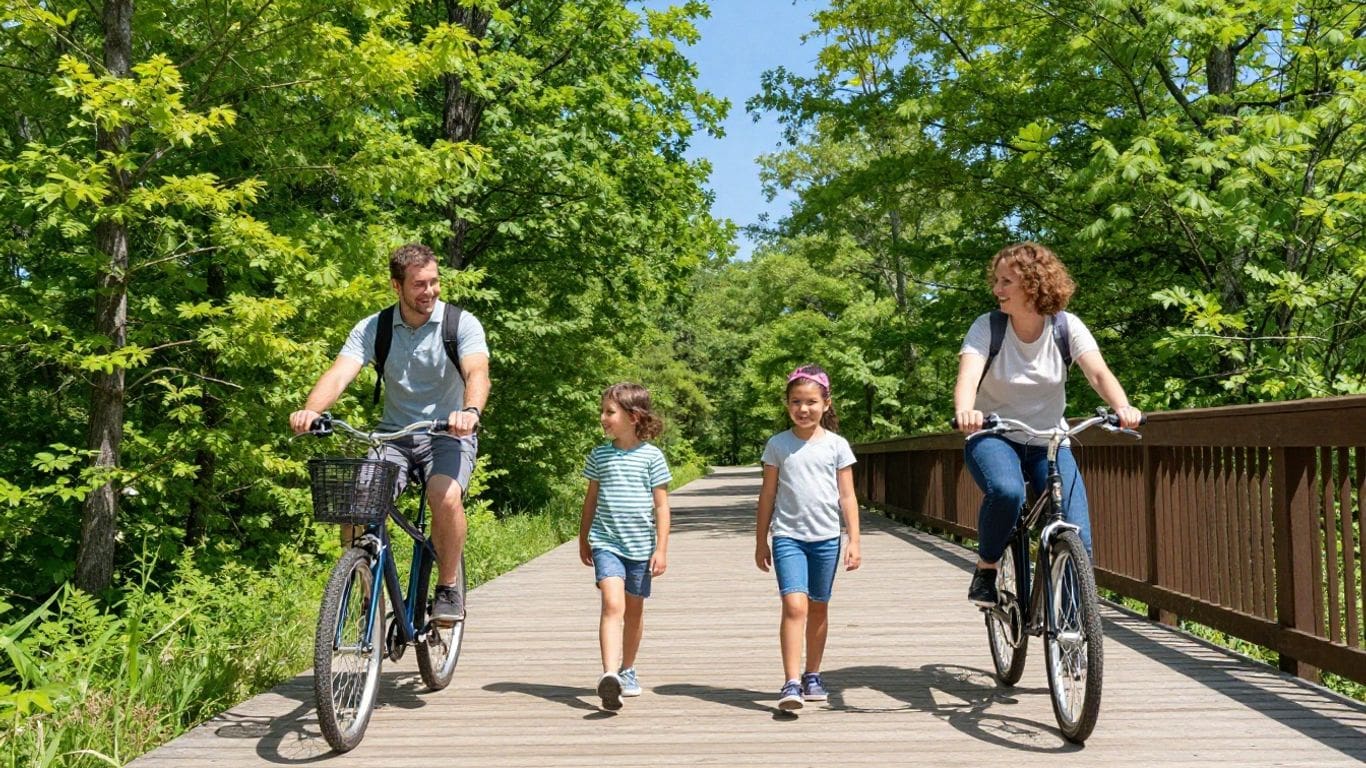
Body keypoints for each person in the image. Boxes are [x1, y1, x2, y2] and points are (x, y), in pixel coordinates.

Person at [289, 243, 490, 624]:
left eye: (434, 282)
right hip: (392, 438)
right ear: (396, 286)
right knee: (355, 504)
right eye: (419, 284)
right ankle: (366, 587)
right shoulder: (374, 327)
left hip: (448, 434)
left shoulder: (460, 324)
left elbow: (477, 372)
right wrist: (311, 410)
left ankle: (448, 588)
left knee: (443, 496)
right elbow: (340, 372)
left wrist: (470, 411)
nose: (429, 291)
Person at [952, 241, 1141, 607]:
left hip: (1050, 442)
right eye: (997, 280)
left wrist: (1123, 406)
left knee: (1077, 534)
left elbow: (1098, 373)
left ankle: (1071, 634)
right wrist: (966, 410)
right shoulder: (987, 327)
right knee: (1007, 492)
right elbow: (967, 379)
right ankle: (987, 568)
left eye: (1006, 281)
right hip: (993, 435)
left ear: (1033, 284)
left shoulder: (1066, 327)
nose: (997, 290)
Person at [755, 364, 862, 712]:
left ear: (826, 404)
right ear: (787, 405)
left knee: (818, 606)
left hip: (827, 538)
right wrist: (761, 539)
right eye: (796, 402)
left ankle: (812, 674)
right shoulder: (777, 445)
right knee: (794, 605)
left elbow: (847, 496)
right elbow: (767, 495)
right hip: (788, 536)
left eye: (811, 402)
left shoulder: (837, 446)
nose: (803, 409)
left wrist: (854, 540)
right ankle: (790, 681)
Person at [578, 383, 672, 711]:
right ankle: (609, 675)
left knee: (634, 610)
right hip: (607, 542)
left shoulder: (652, 457)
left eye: (609, 412)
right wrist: (584, 536)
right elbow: (591, 500)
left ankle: (627, 669)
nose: (603, 418)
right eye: (603, 411)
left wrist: (661, 549)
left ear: (633, 417)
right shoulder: (599, 455)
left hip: (641, 547)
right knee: (612, 604)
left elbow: (661, 507)